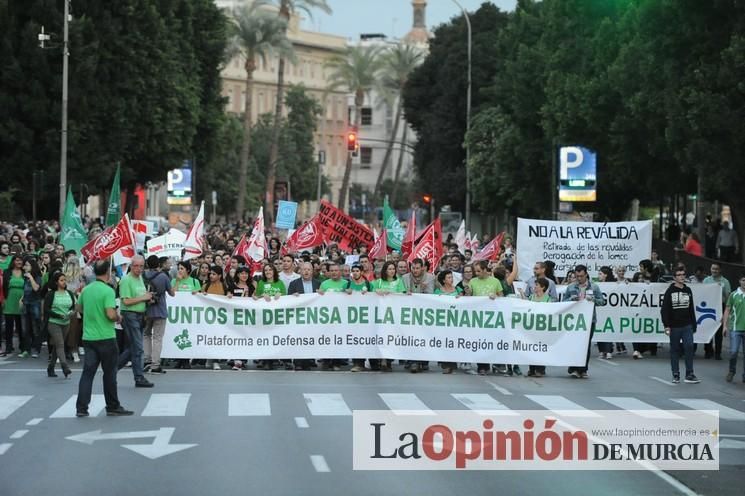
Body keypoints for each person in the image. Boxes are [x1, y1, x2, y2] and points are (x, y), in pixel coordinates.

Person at [75, 259, 134, 417]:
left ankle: (81, 408)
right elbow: (110, 314)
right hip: (106, 337)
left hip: (88, 337)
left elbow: (79, 308)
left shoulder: (87, 289)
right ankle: (112, 406)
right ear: (108, 273)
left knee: (88, 373)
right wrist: (118, 317)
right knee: (109, 374)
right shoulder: (108, 291)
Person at [117, 255, 154, 388]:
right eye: (136, 266)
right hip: (130, 315)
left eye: (141, 266)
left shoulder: (140, 279)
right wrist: (144, 298)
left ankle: (113, 368)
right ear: (131, 266)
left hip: (139, 314)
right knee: (138, 347)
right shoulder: (126, 280)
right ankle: (139, 377)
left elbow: (139, 296)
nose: (139, 269)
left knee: (134, 347)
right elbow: (126, 301)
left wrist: (148, 299)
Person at [564, 264, 606, 379]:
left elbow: (602, 301)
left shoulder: (594, 287)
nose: (579, 278)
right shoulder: (571, 287)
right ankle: (573, 368)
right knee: (574, 344)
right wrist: (572, 299)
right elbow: (563, 302)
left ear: (586, 274)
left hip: (589, 320)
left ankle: (583, 369)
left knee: (585, 345)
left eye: (581, 276)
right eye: (577, 276)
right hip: (574, 321)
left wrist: (592, 300)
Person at [661, 267, 700, 384]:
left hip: (687, 325)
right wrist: (666, 325)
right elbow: (664, 310)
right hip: (674, 326)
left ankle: (689, 373)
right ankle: (676, 373)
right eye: (679, 275)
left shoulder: (688, 290)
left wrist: (694, 324)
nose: (682, 277)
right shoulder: (670, 291)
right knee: (675, 350)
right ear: (674, 278)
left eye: (683, 274)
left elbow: (691, 308)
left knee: (689, 347)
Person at [372, 261, 407, 371]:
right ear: (385, 271)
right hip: (380, 315)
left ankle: (388, 361)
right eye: (389, 269)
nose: (392, 271)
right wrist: (376, 291)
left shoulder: (399, 282)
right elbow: (369, 292)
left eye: (393, 269)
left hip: (393, 315)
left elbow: (402, 294)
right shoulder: (378, 282)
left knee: (390, 337)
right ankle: (381, 359)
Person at [143, 256, 175, 374]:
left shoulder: (143, 276)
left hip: (146, 309)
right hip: (160, 309)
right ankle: (155, 364)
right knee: (157, 337)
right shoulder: (163, 276)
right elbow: (172, 293)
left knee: (146, 335)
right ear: (158, 264)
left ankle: (147, 359)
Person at [470, 260, 503, 375]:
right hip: (478, 317)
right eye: (476, 271)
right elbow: (468, 297)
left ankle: (492, 363)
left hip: (492, 318)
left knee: (490, 341)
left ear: (485, 270)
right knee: (480, 341)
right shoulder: (472, 281)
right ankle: (482, 366)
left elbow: (502, 298)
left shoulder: (495, 281)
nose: (477, 273)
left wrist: (496, 297)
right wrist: (467, 292)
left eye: (479, 271)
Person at [288, 262, 321, 371]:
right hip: (299, 317)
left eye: (309, 269)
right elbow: (288, 300)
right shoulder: (293, 284)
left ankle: (308, 361)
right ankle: (297, 362)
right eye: (304, 269)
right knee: (298, 339)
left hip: (313, 316)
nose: (306, 271)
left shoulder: (318, 284)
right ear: (300, 271)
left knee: (310, 339)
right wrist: (292, 297)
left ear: (312, 271)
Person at [43, 271, 75, 378]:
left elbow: (73, 306)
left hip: (66, 322)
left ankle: (50, 367)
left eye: (65, 280)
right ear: (56, 282)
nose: (64, 282)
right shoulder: (51, 294)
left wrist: (71, 312)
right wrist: (58, 315)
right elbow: (46, 309)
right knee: (60, 344)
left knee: (57, 345)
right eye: (61, 280)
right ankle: (64, 366)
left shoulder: (69, 293)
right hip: (54, 322)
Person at [435, 270, 462, 374]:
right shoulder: (438, 291)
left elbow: (464, 301)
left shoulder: (458, 289)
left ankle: (453, 363)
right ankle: (445, 364)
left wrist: (461, 297)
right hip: (443, 321)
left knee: (453, 342)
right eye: (449, 277)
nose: (451, 279)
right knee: (444, 342)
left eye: (452, 277)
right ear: (444, 280)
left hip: (455, 320)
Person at [703, 262, 731, 360]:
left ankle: (718, 353)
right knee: (707, 329)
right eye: (712, 268)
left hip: (720, 306)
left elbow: (728, 296)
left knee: (719, 331)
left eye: (716, 269)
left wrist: (728, 310)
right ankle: (708, 351)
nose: (714, 270)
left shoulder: (725, 282)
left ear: (720, 270)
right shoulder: (706, 280)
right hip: (708, 307)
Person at [527, 277, 552, 377]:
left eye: (537, 285)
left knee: (541, 348)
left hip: (542, 328)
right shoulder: (531, 297)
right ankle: (532, 369)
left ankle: (540, 369)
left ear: (543, 287)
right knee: (531, 348)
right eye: (535, 285)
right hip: (532, 327)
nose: (535, 287)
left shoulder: (548, 299)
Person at [724, 275, 745, 383]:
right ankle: (732, 371)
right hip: (736, 328)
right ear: (739, 281)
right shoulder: (734, 294)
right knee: (733, 352)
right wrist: (725, 326)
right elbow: (727, 310)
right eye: (743, 280)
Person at [2, 255, 24, 357]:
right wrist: (3, 299)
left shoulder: (25, 272)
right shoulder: (7, 272)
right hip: (9, 299)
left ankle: (23, 346)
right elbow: (3, 287)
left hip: (22, 301)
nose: (19, 262)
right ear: (13, 261)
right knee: (9, 326)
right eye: (17, 260)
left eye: (21, 260)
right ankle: (8, 346)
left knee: (21, 326)